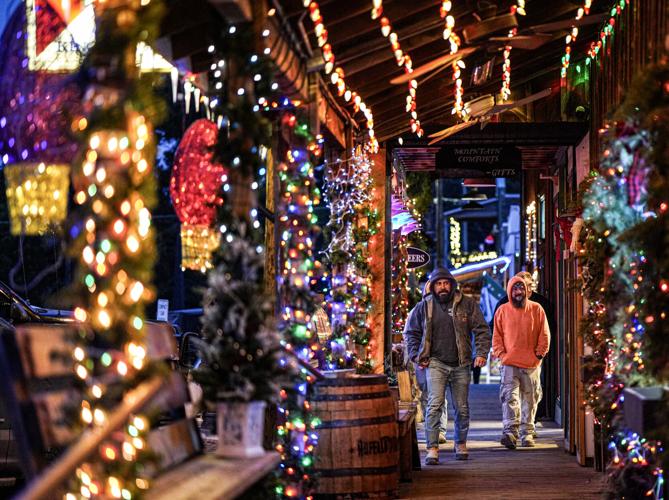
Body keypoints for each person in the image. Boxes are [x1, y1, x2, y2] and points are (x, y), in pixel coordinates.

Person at [404, 267, 491, 465]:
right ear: (433, 286)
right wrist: (416, 355)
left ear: (452, 285)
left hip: (461, 363)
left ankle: (460, 443)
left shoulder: (467, 304)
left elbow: (482, 329)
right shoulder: (424, 306)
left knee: (462, 407)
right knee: (434, 405)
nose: (443, 287)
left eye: (446, 283)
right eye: (438, 284)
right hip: (435, 362)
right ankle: (432, 448)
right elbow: (412, 333)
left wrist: (482, 353)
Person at [492, 275, 550, 449]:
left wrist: (539, 355)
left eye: (521, 288)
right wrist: (502, 355)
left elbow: (544, 334)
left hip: (531, 363)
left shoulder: (537, 309)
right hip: (509, 363)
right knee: (510, 397)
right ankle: (510, 431)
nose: (519, 292)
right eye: (515, 289)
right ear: (510, 291)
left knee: (531, 399)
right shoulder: (502, 310)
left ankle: (527, 433)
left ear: (527, 290)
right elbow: (496, 336)